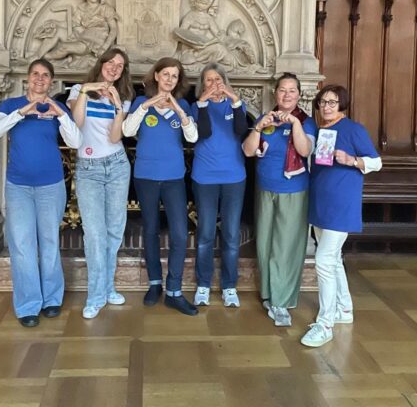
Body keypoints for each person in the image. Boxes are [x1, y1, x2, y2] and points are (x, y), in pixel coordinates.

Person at [0, 58, 82, 327]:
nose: (40, 79)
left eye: (45, 75)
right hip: (19, 187)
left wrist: (60, 113)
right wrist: (23, 111)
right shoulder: (10, 106)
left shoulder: (57, 108)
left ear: (51, 81)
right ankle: (28, 304)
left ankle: (52, 299)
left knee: (50, 241)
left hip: (51, 186)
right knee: (22, 244)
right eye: (35, 74)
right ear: (28, 78)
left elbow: (76, 141)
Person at [300, 84, 381, 348]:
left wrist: (352, 161)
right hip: (320, 202)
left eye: (332, 103)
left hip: (341, 204)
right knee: (333, 260)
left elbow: (376, 162)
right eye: (322, 102)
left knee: (323, 260)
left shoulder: (354, 130)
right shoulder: (319, 129)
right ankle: (344, 310)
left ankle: (325, 325)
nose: (326, 107)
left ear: (342, 104)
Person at [122, 57, 199, 315]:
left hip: (174, 178)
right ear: (156, 76)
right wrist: (146, 106)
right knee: (151, 229)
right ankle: (155, 283)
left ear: (178, 81)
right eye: (165, 74)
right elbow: (127, 130)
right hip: (145, 176)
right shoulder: (140, 103)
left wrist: (178, 109)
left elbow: (193, 137)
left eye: (174, 76)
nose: (169, 79)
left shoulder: (184, 105)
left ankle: (174, 290)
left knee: (179, 233)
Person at [242, 73, 316, 327]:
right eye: (282, 90)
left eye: (292, 90)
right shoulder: (267, 119)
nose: (287, 95)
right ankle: (269, 294)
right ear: (275, 93)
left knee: (286, 246)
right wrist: (258, 127)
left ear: (298, 93)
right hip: (265, 189)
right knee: (264, 244)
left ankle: (282, 302)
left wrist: (294, 123)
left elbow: (305, 150)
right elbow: (248, 150)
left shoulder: (306, 122)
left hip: (293, 190)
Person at [67, 48, 134, 319]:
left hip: (117, 165)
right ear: (102, 63)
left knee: (114, 231)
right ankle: (95, 296)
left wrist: (117, 104)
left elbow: (117, 136)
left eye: (120, 65)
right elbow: (78, 122)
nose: (115, 68)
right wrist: (87, 89)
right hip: (89, 169)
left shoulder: (125, 97)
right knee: (95, 234)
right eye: (111, 63)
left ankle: (108, 288)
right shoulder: (78, 90)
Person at [191, 63, 247, 308]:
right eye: (208, 80)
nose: (214, 84)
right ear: (202, 85)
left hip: (234, 177)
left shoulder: (236, 106)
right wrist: (203, 104)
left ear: (224, 82)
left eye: (217, 80)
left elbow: (241, 130)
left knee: (231, 235)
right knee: (205, 234)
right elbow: (202, 132)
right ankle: (203, 284)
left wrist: (234, 101)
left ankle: (229, 286)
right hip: (205, 177)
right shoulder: (196, 107)